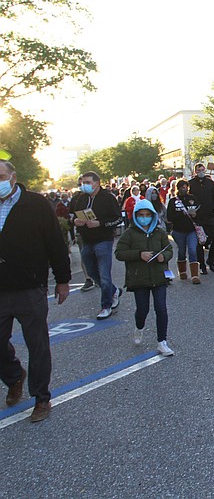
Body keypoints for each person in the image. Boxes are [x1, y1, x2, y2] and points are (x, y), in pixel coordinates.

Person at [0, 160, 71, 423]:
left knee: (37, 345)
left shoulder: (36, 204)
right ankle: (14, 376)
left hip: (29, 288)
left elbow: (55, 242)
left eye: (1, 176)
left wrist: (63, 279)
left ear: (13, 177)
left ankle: (41, 398)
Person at [114, 199, 175, 356]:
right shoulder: (129, 233)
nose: (144, 218)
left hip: (159, 276)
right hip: (139, 278)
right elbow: (119, 253)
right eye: (141, 215)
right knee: (142, 309)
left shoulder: (160, 233)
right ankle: (139, 327)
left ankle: (162, 341)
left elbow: (169, 250)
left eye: (148, 215)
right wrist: (139, 254)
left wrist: (164, 257)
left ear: (153, 215)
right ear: (135, 216)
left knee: (161, 308)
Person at [71, 171, 123, 319]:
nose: (84, 185)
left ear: (97, 183)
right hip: (87, 240)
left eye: (88, 182)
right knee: (92, 272)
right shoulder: (81, 198)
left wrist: (100, 223)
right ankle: (113, 290)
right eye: (83, 183)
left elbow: (118, 218)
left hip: (103, 240)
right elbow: (75, 216)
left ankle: (106, 305)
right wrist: (76, 221)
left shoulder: (108, 198)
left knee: (104, 274)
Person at [166, 179, 202, 284]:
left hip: (191, 230)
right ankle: (182, 271)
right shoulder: (173, 201)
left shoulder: (193, 198)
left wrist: (195, 215)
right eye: (182, 187)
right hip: (178, 230)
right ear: (178, 188)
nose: (184, 189)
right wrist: (181, 214)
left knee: (192, 250)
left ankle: (195, 275)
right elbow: (169, 217)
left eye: (186, 187)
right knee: (181, 251)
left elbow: (200, 212)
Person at [189, 163, 214, 274]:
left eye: (203, 170)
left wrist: (213, 207)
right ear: (195, 172)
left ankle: (211, 261)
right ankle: (201, 265)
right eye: (199, 170)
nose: (201, 172)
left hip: (210, 215)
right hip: (197, 217)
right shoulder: (191, 184)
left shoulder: (210, 183)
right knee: (199, 242)